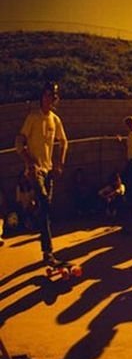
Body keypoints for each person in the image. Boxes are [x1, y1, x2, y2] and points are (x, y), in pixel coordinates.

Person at [15, 82, 68, 264]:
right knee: (44, 202)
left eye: (51, 96)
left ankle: (47, 253)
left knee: (45, 210)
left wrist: (59, 163)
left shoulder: (55, 119)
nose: (48, 99)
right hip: (35, 170)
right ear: (41, 97)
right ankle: (49, 250)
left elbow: (64, 142)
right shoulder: (33, 117)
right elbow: (19, 141)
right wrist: (29, 163)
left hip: (48, 170)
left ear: (55, 99)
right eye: (45, 95)